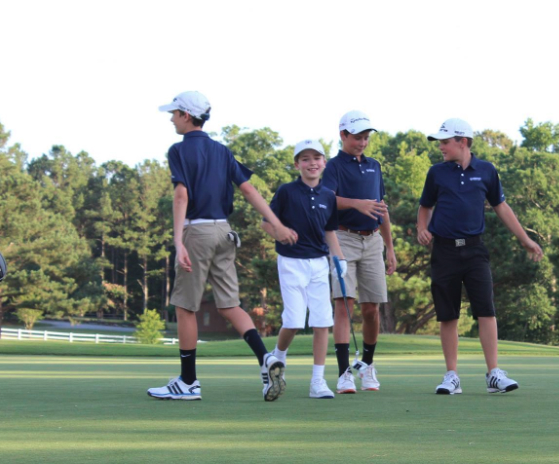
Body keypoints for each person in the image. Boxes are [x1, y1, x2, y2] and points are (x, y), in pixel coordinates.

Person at [148, 91, 297, 402]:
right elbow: (250, 191)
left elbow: (181, 197)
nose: (171, 118)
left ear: (187, 116)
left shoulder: (178, 150)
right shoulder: (222, 151)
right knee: (230, 305)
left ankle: (188, 382)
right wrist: (277, 224)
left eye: (174, 113)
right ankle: (266, 358)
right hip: (225, 233)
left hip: (197, 233)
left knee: (186, 307)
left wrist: (178, 241)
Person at [416, 118, 543, 395]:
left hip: (475, 250)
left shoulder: (486, 170)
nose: (441, 147)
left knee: (486, 310)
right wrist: (421, 228)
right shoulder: (436, 173)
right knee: (447, 315)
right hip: (444, 251)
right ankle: (452, 376)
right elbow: (425, 206)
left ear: (463, 141)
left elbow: (502, 207)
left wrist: (525, 240)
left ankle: (494, 375)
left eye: (445, 142)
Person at [262, 139, 347, 399]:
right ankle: (277, 358)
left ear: (324, 162)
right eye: (306, 159)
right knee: (295, 321)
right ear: (297, 163)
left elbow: (329, 231)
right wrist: (281, 231)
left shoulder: (328, 196)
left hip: (319, 264)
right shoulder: (287, 191)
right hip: (291, 262)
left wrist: (339, 259)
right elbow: (266, 223)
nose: (312, 163)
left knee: (323, 322)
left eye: (317, 158)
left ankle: (318, 382)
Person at [321, 110, 396, 393]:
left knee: (371, 309)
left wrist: (390, 248)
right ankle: (343, 373)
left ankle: (367, 364)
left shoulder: (375, 166)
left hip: (373, 241)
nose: (362, 143)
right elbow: (326, 199)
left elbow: (381, 208)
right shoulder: (333, 166)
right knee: (344, 304)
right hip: (343, 238)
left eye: (366, 138)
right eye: (357, 138)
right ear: (343, 135)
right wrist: (356, 204)